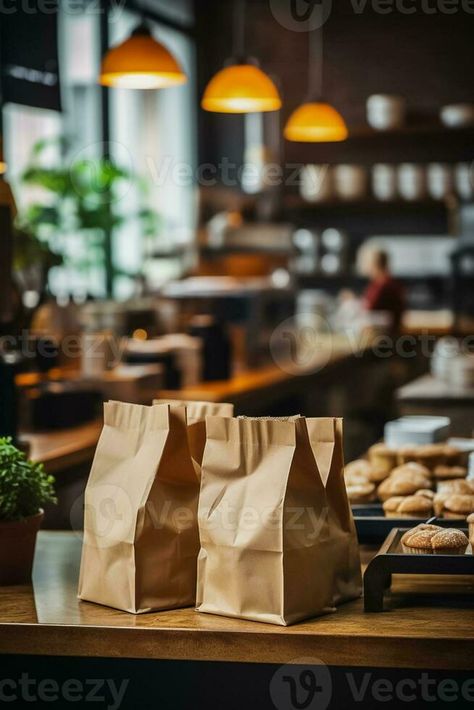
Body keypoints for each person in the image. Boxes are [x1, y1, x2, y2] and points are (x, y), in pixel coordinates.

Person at [361, 248, 406, 332]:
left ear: (373, 264)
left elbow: (369, 307)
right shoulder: (380, 283)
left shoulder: (384, 285)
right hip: (384, 334)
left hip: (385, 337)